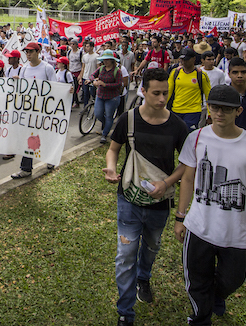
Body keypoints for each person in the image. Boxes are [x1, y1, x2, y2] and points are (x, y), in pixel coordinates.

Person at [174, 85, 246, 326]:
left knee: (234, 278)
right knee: (196, 281)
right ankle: (200, 318)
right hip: (199, 227)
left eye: (227, 109)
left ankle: (217, 295)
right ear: (209, 108)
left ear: (238, 111)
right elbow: (188, 178)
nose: (220, 113)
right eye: (215, 107)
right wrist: (180, 216)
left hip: (237, 234)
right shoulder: (196, 138)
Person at [103, 69, 188, 325]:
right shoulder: (128, 120)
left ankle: (144, 276)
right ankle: (125, 313)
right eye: (157, 93)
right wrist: (111, 167)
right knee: (125, 255)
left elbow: (186, 163)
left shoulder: (177, 125)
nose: (162, 99)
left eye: (166, 93)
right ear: (144, 91)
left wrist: (167, 183)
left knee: (151, 246)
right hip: (128, 199)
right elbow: (113, 149)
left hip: (160, 203)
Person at [11, 42, 57, 179]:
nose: (28, 54)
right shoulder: (24, 69)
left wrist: (67, 91)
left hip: (44, 110)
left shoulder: (47, 68)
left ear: (38, 52)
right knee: (29, 139)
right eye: (27, 52)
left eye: (31, 52)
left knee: (45, 136)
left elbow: (55, 88)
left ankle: (50, 158)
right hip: (29, 111)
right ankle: (25, 168)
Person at [168, 49, 212, 132]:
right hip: (176, 110)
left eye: (187, 60)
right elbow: (168, 91)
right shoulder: (175, 73)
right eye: (182, 59)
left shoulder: (201, 75)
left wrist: (209, 114)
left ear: (193, 59)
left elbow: (208, 94)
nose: (184, 62)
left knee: (188, 135)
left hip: (193, 111)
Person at [90, 50, 124, 143]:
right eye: (104, 60)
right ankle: (107, 124)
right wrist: (93, 81)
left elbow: (118, 84)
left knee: (109, 116)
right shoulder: (101, 68)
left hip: (112, 97)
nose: (106, 62)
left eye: (108, 60)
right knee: (98, 114)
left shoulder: (117, 71)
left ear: (112, 61)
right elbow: (92, 75)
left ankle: (104, 134)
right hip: (100, 95)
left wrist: (105, 85)